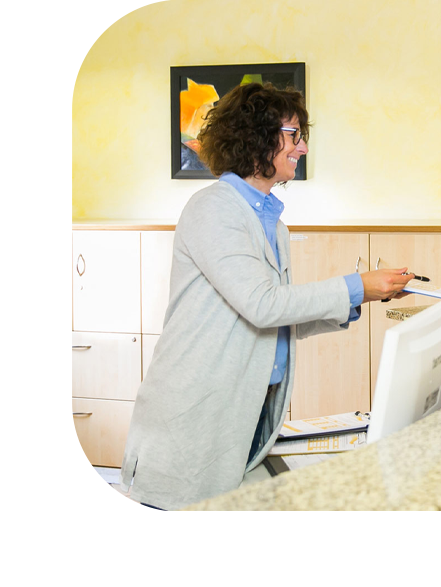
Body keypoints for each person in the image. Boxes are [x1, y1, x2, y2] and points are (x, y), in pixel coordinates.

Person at [120, 82, 414, 510]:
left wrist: (361, 296)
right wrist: (356, 285)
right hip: (193, 416)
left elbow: (275, 313)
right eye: (294, 135)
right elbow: (263, 305)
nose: (303, 148)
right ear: (256, 137)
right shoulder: (213, 208)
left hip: (245, 411)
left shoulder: (271, 222)